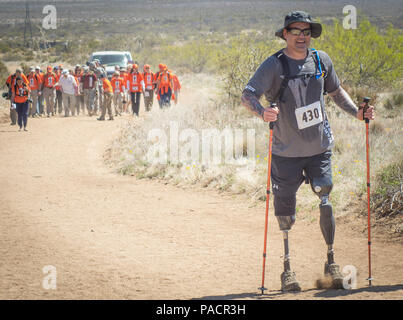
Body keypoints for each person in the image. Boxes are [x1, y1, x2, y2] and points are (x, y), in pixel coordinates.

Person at [241, 11, 375, 292]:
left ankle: (331, 262)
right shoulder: (274, 65)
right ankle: (287, 270)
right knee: (285, 210)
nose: (302, 36)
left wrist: (358, 114)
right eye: (296, 31)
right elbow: (248, 94)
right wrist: (262, 111)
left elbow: (337, 92)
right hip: (285, 151)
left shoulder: (321, 60)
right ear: (285, 34)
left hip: (319, 147)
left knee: (325, 193)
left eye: (307, 32)